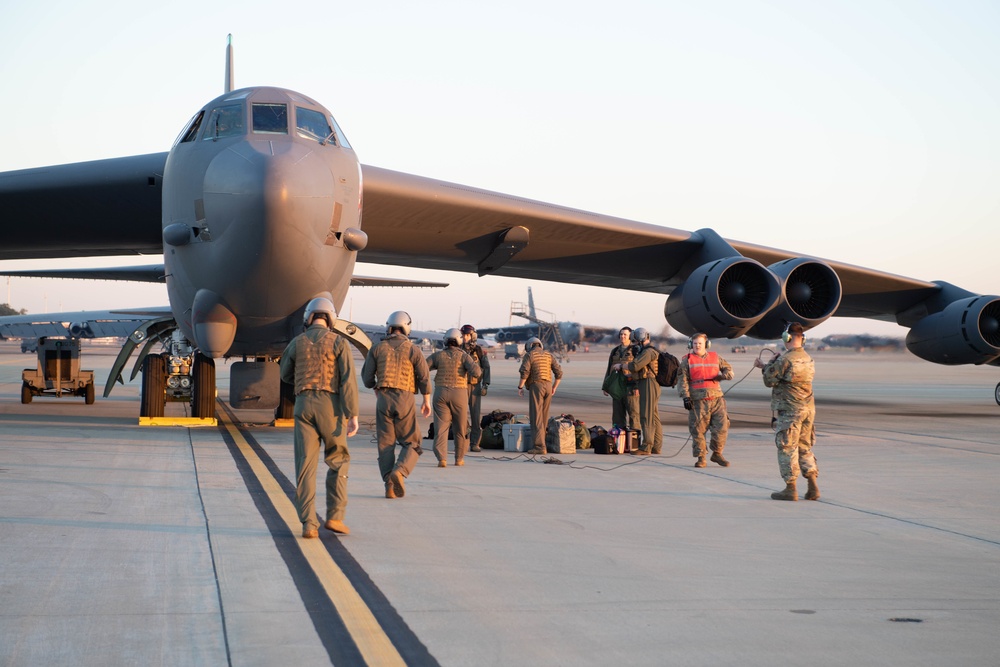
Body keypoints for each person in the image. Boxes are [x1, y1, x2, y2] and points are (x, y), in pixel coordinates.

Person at [279, 297, 359, 539]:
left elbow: (285, 374)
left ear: (309, 317)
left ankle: (308, 524)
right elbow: (347, 380)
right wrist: (352, 413)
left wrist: (304, 386)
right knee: (339, 460)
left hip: (303, 406)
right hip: (331, 407)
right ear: (330, 319)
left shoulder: (297, 342)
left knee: (305, 466)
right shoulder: (339, 342)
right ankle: (335, 516)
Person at [361, 311, 432, 499]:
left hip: (383, 399)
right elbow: (424, 377)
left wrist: (376, 386)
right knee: (413, 442)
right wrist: (426, 400)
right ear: (407, 327)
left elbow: (367, 378)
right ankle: (400, 471)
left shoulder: (377, 348)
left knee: (385, 444)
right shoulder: (413, 350)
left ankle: (389, 486)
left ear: (389, 326)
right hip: (404, 398)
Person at [753, 322, 820, 501]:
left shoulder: (785, 359)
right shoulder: (808, 358)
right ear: (802, 339)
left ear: (786, 338)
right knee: (805, 447)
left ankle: (791, 488)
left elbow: (770, 380)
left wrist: (765, 365)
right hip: (808, 410)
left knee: (787, 448)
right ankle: (812, 485)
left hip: (790, 411)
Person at [427, 328, 482, 467]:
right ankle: (459, 459)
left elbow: (423, 367)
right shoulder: (464, 356)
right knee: (460, 428)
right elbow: (476, 372)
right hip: (459, 394)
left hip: (440, 393)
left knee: (441, 428)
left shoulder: (438, 355)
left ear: (445, 340)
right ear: (459, 340)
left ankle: (442, 459)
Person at [677, 333, 734, 467]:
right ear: (691, 345)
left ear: (706, 345)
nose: (697, 346)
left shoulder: (715, 358)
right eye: (695, 344)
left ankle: (717, 453)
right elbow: (682, 380)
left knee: (722, 427)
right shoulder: (687, 361)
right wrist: (685, 397)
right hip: (698, 401)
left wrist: (724, 375)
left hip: (717, 399)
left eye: (700, 344)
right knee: (698, 430)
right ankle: (701, 457)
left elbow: (729, 370)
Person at [613, 328, 662, 455]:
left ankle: (647, 446)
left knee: (646, 415)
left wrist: (622, 366)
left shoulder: (648, 352)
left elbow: (635, 366)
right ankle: (656, 445)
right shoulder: (647, 351)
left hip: (648, 383)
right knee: (653, 415)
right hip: (647, 383)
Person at [516, 337, 563, 454]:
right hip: (548, 386)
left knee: (535, 416)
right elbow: (559, 373)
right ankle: (543, 443)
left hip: (537, 386)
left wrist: (520, 387)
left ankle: (539, 447)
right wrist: (554, 388)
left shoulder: (530, 355)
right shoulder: (548, 355)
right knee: (543, 417)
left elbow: (525, 372)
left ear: (530, 345)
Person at [460, 324, 491, 451]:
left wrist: (486, 385)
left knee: (475, 415)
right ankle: (462, 441)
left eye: (467, 335)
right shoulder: (458, 349)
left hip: (474, 387)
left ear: (472, 336)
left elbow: (486, 367)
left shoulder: (478, 351)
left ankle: (475, 443)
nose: (464, 338)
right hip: (460, 386)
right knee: (460, 416)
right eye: (463, 335)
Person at [603, 326, 639, 429]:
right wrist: (605, 386)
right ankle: (620, 441)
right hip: (617, 388)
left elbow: (639, 369)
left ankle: (634, 440)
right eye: (621, 334)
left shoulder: (636, 350)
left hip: (630, 388)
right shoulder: (615, 351)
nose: (622, 336)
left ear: (630, 336)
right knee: (617, 417)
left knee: (634, 415)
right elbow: (609, 369)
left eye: (625, 334)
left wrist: (637, 386)